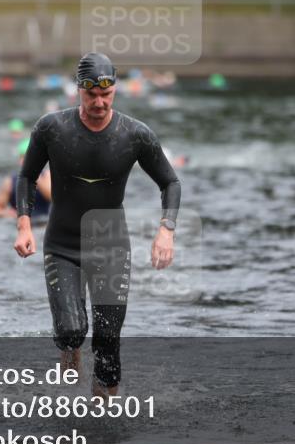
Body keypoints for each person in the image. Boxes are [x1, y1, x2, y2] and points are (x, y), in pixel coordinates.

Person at [14, 52, 180, 397]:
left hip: (111, 245)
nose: (100, 103)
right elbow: (28, 176)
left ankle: (104, 424)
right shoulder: (52, 128)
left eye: (106, 94)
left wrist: (166, 229)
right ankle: (69, 351)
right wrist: (24, 225)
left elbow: (170, 183)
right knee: (73, 329)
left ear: (115, 91)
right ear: (79, 91)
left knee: (107, 341)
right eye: (92, 95)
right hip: (62, 243)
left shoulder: (135, 134)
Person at [0, 138, 51, 220]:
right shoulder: (10, 181)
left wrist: (35, 177)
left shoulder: (46, 176)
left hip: (42, 221)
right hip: (19, 223)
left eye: (31, 157)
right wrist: (8, 213)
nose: (28, 161)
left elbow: (52, 198)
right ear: (20, 159)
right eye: (24, 157)